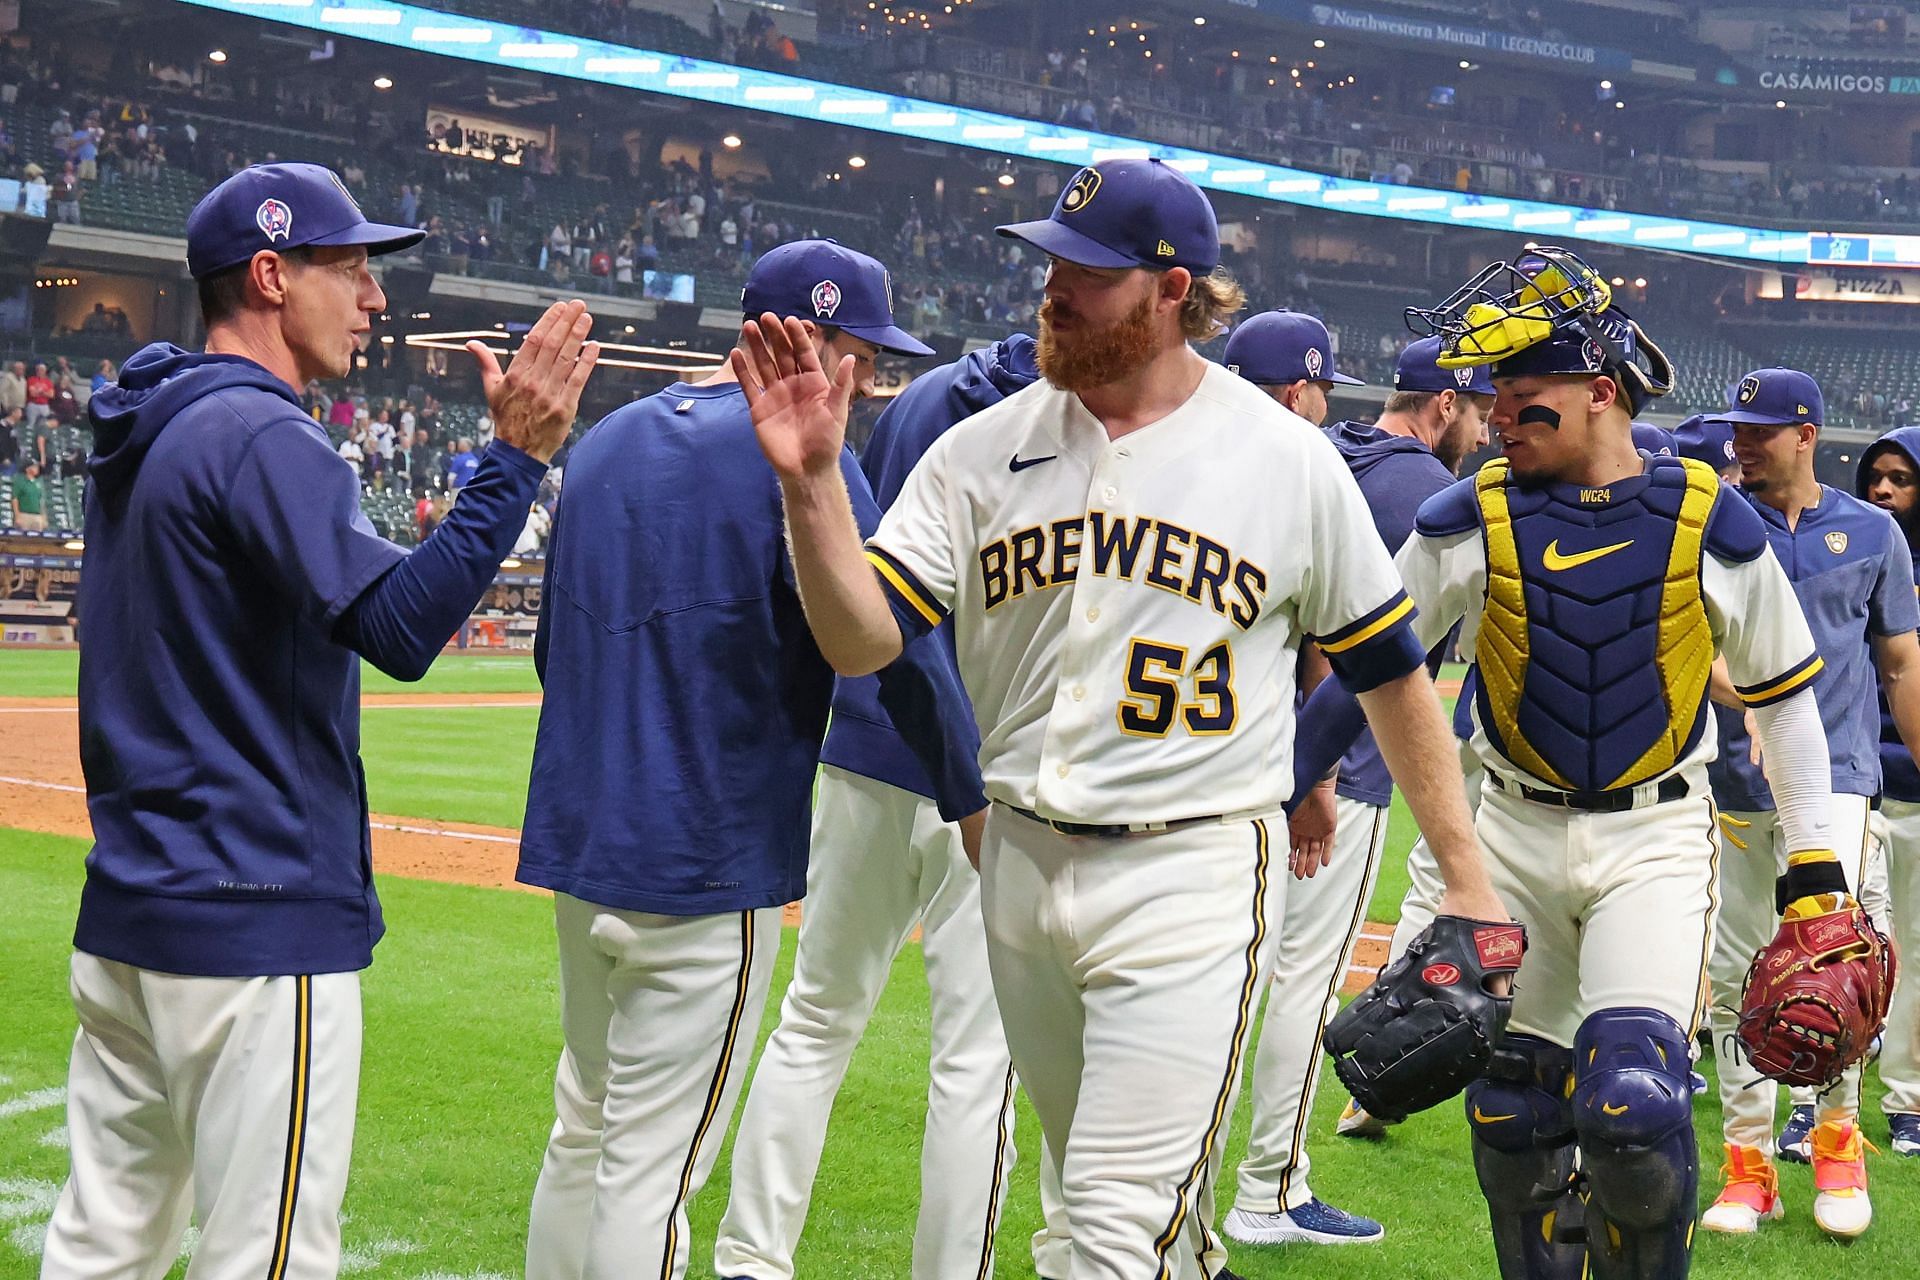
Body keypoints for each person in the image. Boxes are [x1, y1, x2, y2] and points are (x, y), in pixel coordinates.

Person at [732, 157, 1506, 1280]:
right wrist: (810, 485)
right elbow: (861, 639)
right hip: (1022, 863)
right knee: (1121, 1213)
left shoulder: (1285, 458)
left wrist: (1465, 874)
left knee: (1100, 1228)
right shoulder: (978, 449)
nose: (1056, 288)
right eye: (1053, 261)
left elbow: (1389, 670)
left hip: (1188, 872)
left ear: (1170, 290)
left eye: (1089, 273)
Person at [38, 162, 598, 1279]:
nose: (376, 300)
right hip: (253, 918)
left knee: (101, 1250)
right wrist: (515, 462)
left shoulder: (153, 425)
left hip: (136, 912)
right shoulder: (260, 433)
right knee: (270, 1257)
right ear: (269, 275)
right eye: (349, 270)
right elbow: (399, 628)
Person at [516, 240, 971, 1280]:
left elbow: (554, 653)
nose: (863, 382)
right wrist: (969, 794)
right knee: (649, 1171)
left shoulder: (608, 438)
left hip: (583, 849)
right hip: (709, 865)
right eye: (859, 352)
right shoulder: (807, 461)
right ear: (812, 341)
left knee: (582, 1127)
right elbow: (899, 650)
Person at [1393, 249, 1845, 1279]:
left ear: (1601, 393)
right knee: (1514, 1107)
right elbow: (1376, 665)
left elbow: (1782, 700)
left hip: (1654, 830)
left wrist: (1815, 868)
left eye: (1524, 398)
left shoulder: (1706, 516)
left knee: (1632, 1107)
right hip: (1510, 825)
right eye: (1493, 398)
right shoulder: (1472, 514)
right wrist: (1319, 784)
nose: (1497, 416)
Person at [713, 334, 1038, 1280]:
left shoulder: (922, 401)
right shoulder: (1076, 423)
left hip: (865, 738)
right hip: (991, 764)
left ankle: (749, 1262)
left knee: (813, 1020)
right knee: (977, 1060)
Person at [1219, 333, 1493, 1247]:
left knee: (1227, 976)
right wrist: (1322, 775)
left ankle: (1182, 1184)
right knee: (1305, 979)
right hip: (1339, 773)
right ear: (1445, 404)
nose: (1484, 434)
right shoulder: (1421, 490)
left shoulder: (1313, 451)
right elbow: (1340, 642)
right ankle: (1270, 1192)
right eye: (1480, 412)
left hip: (1237, 763)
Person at [1697, 369, 1916, 1241]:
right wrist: (1746, 703)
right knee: (1734, 975)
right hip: (1736, 786)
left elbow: (1898, 663)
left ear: (1807, 434)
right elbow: (1684, 647)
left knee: (1840, 969)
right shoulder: (1713, 527)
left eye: (1760, 431)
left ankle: (1837, 1145)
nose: (1743, 444)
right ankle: (1748, 1167)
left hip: (1841, 784)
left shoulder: (1874, 532)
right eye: (1737, 430)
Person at [1856, 424, 1920, 1160]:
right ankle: (1820, 1101)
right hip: (1855, 785)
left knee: (1917, 952)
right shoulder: (1858, 553)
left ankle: (1906, 1098)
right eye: (1876, 476)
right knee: (1838, 949)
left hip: (1915, 789)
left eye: (1900, 478)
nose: (1882, 489)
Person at [1219, 309, 1360, 428]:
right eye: (1324, 393)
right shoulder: (1319, 459)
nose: (1325, 406)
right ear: (1296, 397)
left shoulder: (1200, 445)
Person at [10, 455, 43, 528]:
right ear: (27, 469)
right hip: (24, 515)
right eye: (34, 466)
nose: (37, 468)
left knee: (38, 539)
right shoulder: (20, 481)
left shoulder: (38, 483)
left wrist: (43, 517)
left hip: (36, 515)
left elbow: (40, 501)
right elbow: (15, 499)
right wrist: (17, 516)